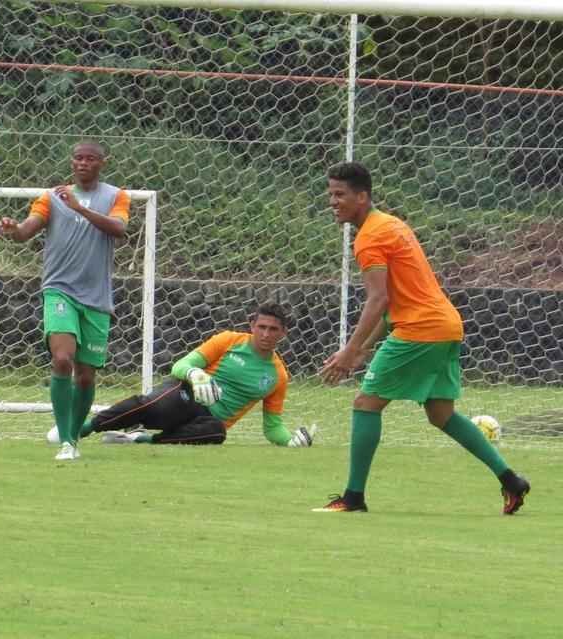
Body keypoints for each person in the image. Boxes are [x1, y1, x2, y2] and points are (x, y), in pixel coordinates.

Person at [316, 162, 530, 514]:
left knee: (366, 404)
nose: (333, 202)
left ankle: (353, 498)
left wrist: (351, 351)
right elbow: (393, 301)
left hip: (421, 329)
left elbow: (378, 299)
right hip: (446, 325)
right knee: (441, 414)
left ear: (362, 196)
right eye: (330, 195)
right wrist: (361, 349)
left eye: (340, 195)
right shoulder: (392, 224)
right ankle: (511, 480)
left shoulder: (369, 237)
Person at [0, 141, 129, 461]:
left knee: (85, 375)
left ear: (102, 163)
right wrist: (12, 230)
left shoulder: (116, 196)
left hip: (96, 298)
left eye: (90, 159)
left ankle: (73, 433)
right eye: (78, 158)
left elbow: (119, 228)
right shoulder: (52, 197)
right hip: (59, 290)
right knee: (61, 359)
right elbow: (26, 231)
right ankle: (67, 442)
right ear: (71, 162)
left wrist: (80, 209)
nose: (82, 163)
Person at [49, 303, 316, 448]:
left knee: (216, 434)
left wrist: (290, 441)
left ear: (283, 333)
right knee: (154, 404)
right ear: (252, 325)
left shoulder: (278, 376)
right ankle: (81, 429)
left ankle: (140, 439)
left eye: (273, 329)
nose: (266, 334)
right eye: (262, 327)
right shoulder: (228, 340)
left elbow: (272, 427)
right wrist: (196, 375)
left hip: (208, 421)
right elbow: (180, 365)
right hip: (188, 396)